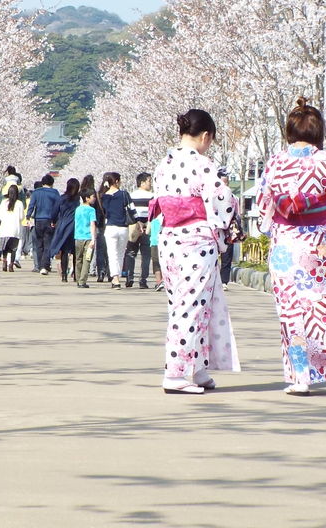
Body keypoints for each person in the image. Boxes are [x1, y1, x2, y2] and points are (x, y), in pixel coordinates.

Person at [257, 97, 326, 396]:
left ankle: (300, 379)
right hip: (319, 245)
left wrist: (271, 221)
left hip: (286, 245)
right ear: (318, 132)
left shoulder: (275, 162)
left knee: (292, 311)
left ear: (289, 132)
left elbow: (265, 202)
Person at [150, 108, 240, 394]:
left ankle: (197, 368)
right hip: (196, 241)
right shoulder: (203, 164)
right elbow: (222, 200)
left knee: (187, 304)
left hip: (169, 239)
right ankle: (176, 374)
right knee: (191, 308)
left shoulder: (163, 163)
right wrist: (228, 217)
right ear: (205, 136)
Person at [99, 172, 131, 289]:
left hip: (110, 227)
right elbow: (131, 209)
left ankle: (115, 278)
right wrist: (137, 222)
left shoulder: (103, 196)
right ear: (117, 181)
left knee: (112, 254)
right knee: (121, 254)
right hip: (123, 227)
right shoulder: (124, 194)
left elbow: (105, 212)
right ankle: (117, 277)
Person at [46, 179, 81, 282]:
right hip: (75, 225)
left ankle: (64, 275)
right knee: (76, 252)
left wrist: (53, 221)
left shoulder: (62, 198)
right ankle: (75, 275)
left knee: (64, 251)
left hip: (64, 225)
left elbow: (54, 212)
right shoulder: (78, 199)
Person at [124, 172, 154, 288]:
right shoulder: (152, 196)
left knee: (131, 253)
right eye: (149, 181)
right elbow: (153, 213)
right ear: (142, 183)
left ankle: (129, 277)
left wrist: (136, 222)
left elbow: (129, 211)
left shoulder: (131, 196)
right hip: (147, 227)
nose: (150, 183)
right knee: (146, 255)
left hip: (133, 226)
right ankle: (143, 280)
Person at [26, 175, 60, 274]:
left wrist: (28, 216)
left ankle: (41, 266)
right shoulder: (55, 193)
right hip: (50, 220)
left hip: (38, 220)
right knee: (48, 243)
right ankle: (45, 266)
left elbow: (31, 205)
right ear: (52, 183)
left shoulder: (36, 192)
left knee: (39, 243)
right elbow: (58, 207)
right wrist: (56, 220)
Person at [68, 179, 96, 287]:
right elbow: (92, 224)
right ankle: (82, 281)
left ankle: (78, 278)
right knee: (87, 259)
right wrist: (94, 239)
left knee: (78, 259)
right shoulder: (91, 210)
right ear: (87, 198)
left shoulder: (78, 209)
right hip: (88, 238)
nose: (94, 198)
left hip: (78, 237)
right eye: (93, 196)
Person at [0, 182, 26, 272]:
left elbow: (0, 215)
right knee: (13, 249)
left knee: (4, 248)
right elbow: (22, 217)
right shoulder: (19, 203)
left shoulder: (4, 202)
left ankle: (4, 261)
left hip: (5, 229)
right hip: (15, 230)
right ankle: (11, 265)